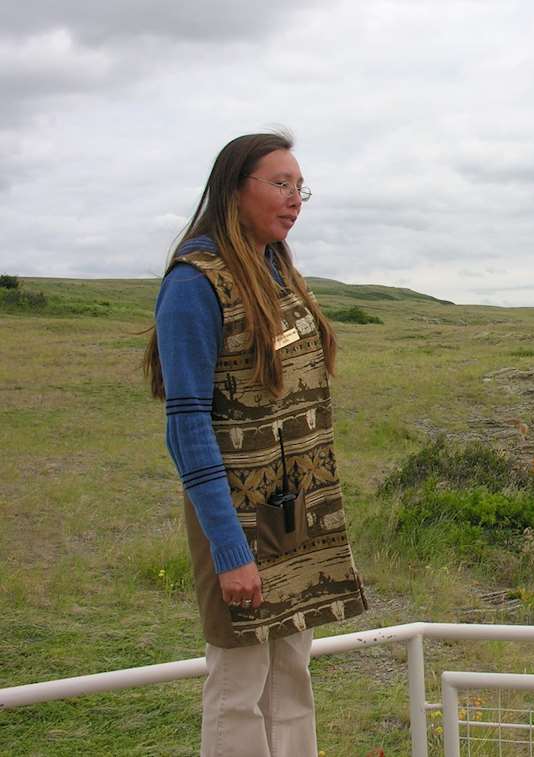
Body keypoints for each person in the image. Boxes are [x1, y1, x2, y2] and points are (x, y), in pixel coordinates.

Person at [143, 131, 368, 756]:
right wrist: (228, 545)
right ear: (234, 188)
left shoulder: (277, 270)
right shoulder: (195, 283)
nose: (296, 199)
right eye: (280, 184)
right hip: (237, 514)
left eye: (301, 188)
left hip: (295, 506)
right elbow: (186, 422)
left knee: (291, 674)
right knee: (240, 684)